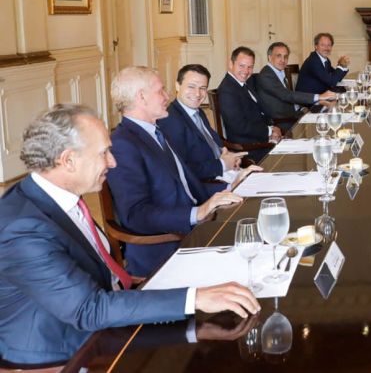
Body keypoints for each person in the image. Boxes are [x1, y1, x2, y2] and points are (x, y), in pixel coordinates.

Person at [0, 104, 259, 366]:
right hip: (66, 352)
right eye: (104, 153)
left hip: (108, 321)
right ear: (68, 160)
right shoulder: (22, 228)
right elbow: (89, 310)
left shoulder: (55, 199)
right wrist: (196, 297)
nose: (113, 162)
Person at [107, 66, 243, 276]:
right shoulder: (123, 144)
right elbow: (136, 215)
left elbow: (185, 184)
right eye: (160, 91)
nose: (167, 95)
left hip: (193, 230)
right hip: (167, 246)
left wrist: (231, 186)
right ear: (141, 97)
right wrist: (196, 213)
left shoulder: (155, 132)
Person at [157, 64, 254, 183]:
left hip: (227, 172)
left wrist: (230, 157)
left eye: (202, 88)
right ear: (178, 85)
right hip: (211, 184)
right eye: (191, 86)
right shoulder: (171, 120)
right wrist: (223, 164)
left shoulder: (198, 111)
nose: (197, 94)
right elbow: (183, 169)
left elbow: (213, 143)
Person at [217, 46, 282, 162]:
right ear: (231, 64)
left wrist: (272, 128)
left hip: (261, 139)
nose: (246, 71)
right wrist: (269, 131)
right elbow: (239, 127)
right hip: (248, 147)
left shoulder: (244, 82)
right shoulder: (227, 90)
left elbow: (261, 110)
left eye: (250, 67)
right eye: (241, 66)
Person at [255, 42, 334, 133]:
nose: (283, 60)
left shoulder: (278, 72)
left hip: (293, 115)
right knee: (324, 125)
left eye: (285, 56)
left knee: (327, 115)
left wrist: (302, 107)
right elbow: (286, 95)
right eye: (278, 56)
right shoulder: (266, 75)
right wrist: (319, 97)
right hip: (282, 122)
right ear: (269, 57)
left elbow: (289, 97)